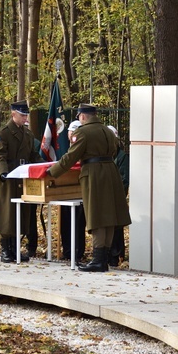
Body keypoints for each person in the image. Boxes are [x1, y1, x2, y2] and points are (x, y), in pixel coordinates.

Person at [47, 104, 131, 272]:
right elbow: (114, 150)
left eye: (79, 117)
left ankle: (98, 260)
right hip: (110, 173)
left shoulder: (82, 132)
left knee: (98, 215)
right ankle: (104, 257)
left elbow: (71, 156)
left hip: (94, 175)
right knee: (109, 217)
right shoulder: (107, 131)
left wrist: (52, 172)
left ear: (83, 116)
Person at [0, 100, 43, 263]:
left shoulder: (27, 134)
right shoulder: (4, 132)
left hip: (23, 176)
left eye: (26, 115)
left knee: (23, 214)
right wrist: (3, 173)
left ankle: (16, 249)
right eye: (22, 115)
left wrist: (43, 166)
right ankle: (6, 249)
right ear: (13, 114)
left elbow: (33, 155)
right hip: (9, 178)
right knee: (8, 214)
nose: (25, 118)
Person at [60, 120, 86, 262]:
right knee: (65, 223)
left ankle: (78, 251)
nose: (72, 134)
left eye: (76, 131)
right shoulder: (63, 147)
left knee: (78, 223)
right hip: (63, 192)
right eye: (71, 131)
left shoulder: (84, 146)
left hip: (79, 192)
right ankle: (67, 250)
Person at [107, 125, 128, 267]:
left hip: (117, 197)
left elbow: (125, 179)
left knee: (117, 227)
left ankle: (118, 254)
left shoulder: (122, 157)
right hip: (107, 197)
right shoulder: (106, 156)